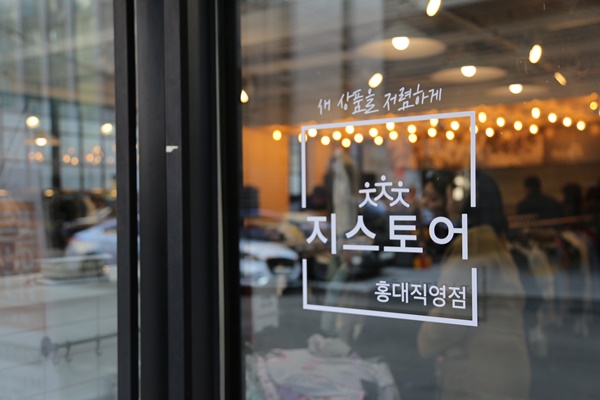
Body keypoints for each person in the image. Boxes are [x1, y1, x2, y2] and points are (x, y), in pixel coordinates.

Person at [417, 171, 531, 400]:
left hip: (480, 378)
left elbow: (451, 315)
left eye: (451, 195)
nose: (449, 203)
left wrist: (424, 340)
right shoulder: (493, 240)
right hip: (503, 370)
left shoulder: (473, 245)